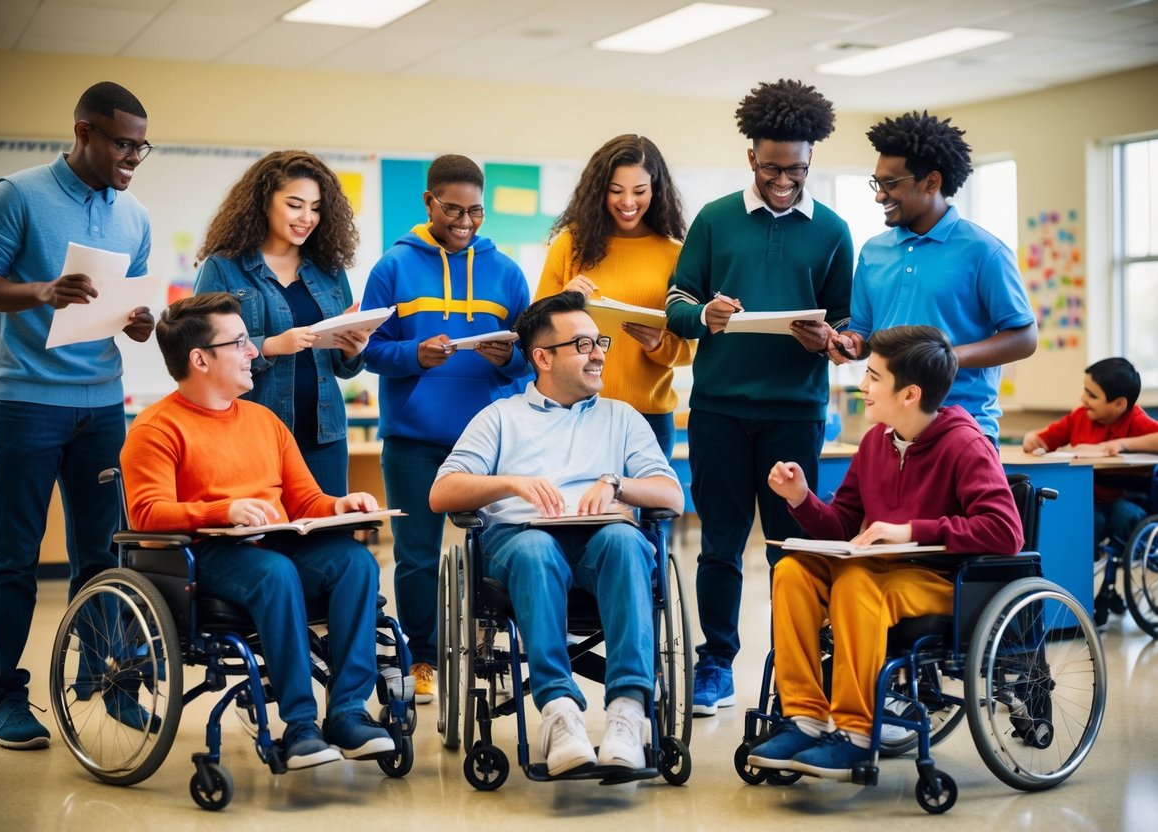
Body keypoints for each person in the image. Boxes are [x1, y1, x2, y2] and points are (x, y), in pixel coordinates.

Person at [0, 81, 156, 750]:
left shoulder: (135, 217)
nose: (132, 157)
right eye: (122, 143)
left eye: (141, 146)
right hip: (27, 404)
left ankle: (105, 679)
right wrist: (41, 289)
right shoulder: (18, 194)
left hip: (103, 406)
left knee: (104, 553)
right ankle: (2, 701)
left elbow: (127, 308)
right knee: (13, 556)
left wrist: (138, 323)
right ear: (84, 133)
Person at [121, 292, 393, 770]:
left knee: (354, 561)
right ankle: (301, 725)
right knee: (274, 574)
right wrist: (223, 511)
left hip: (277, 546)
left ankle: (349, 713)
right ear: (199, 359)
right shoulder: (155, 427)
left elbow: (306, 501)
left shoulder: (264, 421)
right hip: (205, 557)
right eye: (240, 342)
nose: (253, 351)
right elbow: (146, 515)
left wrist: (340, 504)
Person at [749, 325, 1023, 779]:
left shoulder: (964, 443)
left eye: (874, 377)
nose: (863, 386)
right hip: (877, 572)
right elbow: (840, 524)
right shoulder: (877, 441)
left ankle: (856, 735)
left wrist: (910, 530)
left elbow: (1005, 530)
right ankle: (805, 719)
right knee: (793, 570)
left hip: (943, 582)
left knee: (856, 582)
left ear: (910, 393)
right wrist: (801, 498)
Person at [429, 291, 683, 775]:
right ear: (542, 358)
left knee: (627, 539)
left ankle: (628, 712)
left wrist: (616, 483)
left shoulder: (622, 417)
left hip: (600, 545)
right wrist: (508, 483)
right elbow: (442, 493)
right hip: (519, 544)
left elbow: (671, 496)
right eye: (583, 344)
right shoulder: (500, 418)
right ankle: (559, 713)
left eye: (599, 342)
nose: (600, 353)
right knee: (534, 547)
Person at [664, 79, 854, 715]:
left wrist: (829, 340)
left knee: (790, 549)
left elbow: (849, 326)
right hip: (718, 409)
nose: (783, 180)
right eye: (771, 167)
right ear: (751, 157)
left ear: (810, 163)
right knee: (720, 543)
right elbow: (675, 303)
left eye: (796, 169)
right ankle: (716, 662)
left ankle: (793, 670)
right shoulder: (716, 220)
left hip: (794, 413)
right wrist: (705, 316)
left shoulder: (832, 230)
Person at [361, 154, 530, 704]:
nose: (465, 221)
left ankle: (487, 646)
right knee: (415, 554)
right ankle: (424, 657)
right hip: (414, 439)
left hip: (488, 439)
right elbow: (367, 348)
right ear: (429, 203)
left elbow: (532, 356)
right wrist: (415, 354)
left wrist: (509, 357)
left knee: (496, 546)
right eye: (453, 209)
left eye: (476, 211)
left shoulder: (505, 271)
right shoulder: (393, 266)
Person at [824, 111, 1037, 444]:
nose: (880, 195)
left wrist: (948, 358)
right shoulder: (873, 252)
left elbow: (1025, 337)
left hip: (963, 427)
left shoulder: (984, 251)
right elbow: (864, 334)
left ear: (932, 182)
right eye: (877, 183)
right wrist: (850, 343)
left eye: (891, 184)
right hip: (888, 428)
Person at [193, 150, 368, 496]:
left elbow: (342, 368)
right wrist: (269, 346)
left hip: (324, 437)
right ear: (264, 201)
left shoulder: (330, 272)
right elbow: (197, 347)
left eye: (316, 207)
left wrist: (354, 348)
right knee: (264, 541)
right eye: (295, 204)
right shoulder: (224, 267)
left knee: (326, 541)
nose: (307, 217)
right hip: (250, 435)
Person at [536, 134, 693, 457]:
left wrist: (657, 344)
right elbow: (533, 335)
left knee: (651, 508)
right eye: (616, 191)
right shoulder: (569, 244)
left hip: (648, 418)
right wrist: (561, 302)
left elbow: (689, 350)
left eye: (640, 191)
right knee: (583, 509)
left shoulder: (674, 254)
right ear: (599, 190)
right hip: (574, 412)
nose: (628, 202)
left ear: (656, 190)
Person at [1022, 357, 1158, 549]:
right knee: (1087, 520)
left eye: (1092, 396)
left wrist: (1121, 444)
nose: (1083, 400)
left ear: (1119, 404)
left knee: (1124, 515)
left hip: (1128, 498)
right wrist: (1033, 439)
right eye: (1085, 391)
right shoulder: (1080, 416)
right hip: (1091, 497)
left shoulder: (1135, 419)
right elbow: (1044, 438)